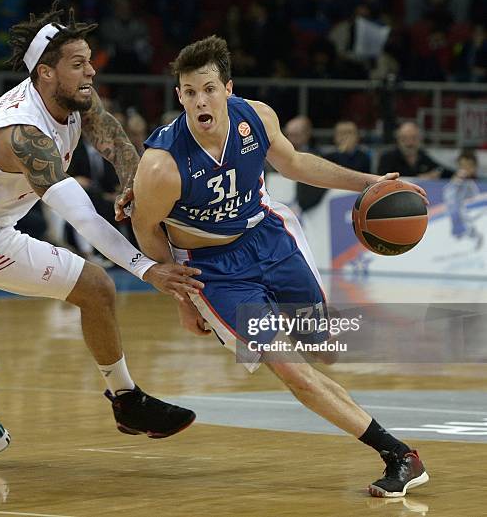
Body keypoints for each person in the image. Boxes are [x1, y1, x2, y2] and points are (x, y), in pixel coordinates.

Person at [0, 2, 202, 465]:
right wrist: (147, 268)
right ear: (44, 73)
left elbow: (110, 134)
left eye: (90, 61)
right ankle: (117, 400)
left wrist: (133, 178)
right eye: (78, 65)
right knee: (96, 286)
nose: (90, 73)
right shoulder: (23, 133)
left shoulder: (74, 94)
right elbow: (84, 218)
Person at [131, 36, 430, 498]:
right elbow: (146, 227)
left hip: (271, 240)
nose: (199, 101)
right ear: (179, 96)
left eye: (208, 89)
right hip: (215, 270)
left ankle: (348, 380)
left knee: (322, 346)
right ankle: (398, 454)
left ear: (228, 88)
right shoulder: (161, 166)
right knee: (291, 369)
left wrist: (370, 182)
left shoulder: (258, 116)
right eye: (189, 92)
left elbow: (294, 163)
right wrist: (181, 297)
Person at [377, 122, 451, 178]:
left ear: (420, 139)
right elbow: (381, 180)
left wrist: (437, 173)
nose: (409, 143)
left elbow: (441, 170)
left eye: (414, 138)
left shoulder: (422, 156)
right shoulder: (387, 158)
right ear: (398, 140)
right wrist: (420, 178)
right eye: (404, 138)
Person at [443, 150, 483, 249]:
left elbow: (477, 197)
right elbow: (447, 195)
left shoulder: (480, 183)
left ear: (475, 168)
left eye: (469, 166)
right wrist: (455, 182)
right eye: (462, 166)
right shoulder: (453, 183)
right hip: (458, 214)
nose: (465, 169)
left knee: (470, 227)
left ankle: (476, 240)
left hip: (472, 214)